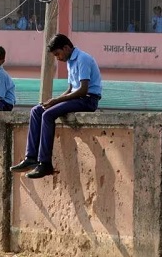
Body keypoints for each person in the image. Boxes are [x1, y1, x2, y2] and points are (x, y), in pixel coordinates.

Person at [10, 34, 102, 179]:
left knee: (48, 115)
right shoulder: (70, 61)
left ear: (66, 48)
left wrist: (57, 101)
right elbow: (72, 88)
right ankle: (31, 157)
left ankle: (45, 164)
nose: (58, 58)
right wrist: (54, 100)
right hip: (77, 97)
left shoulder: (83, 59)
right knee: (37, 110)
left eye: (58, 54)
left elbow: (83, 90)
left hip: (88, 100)